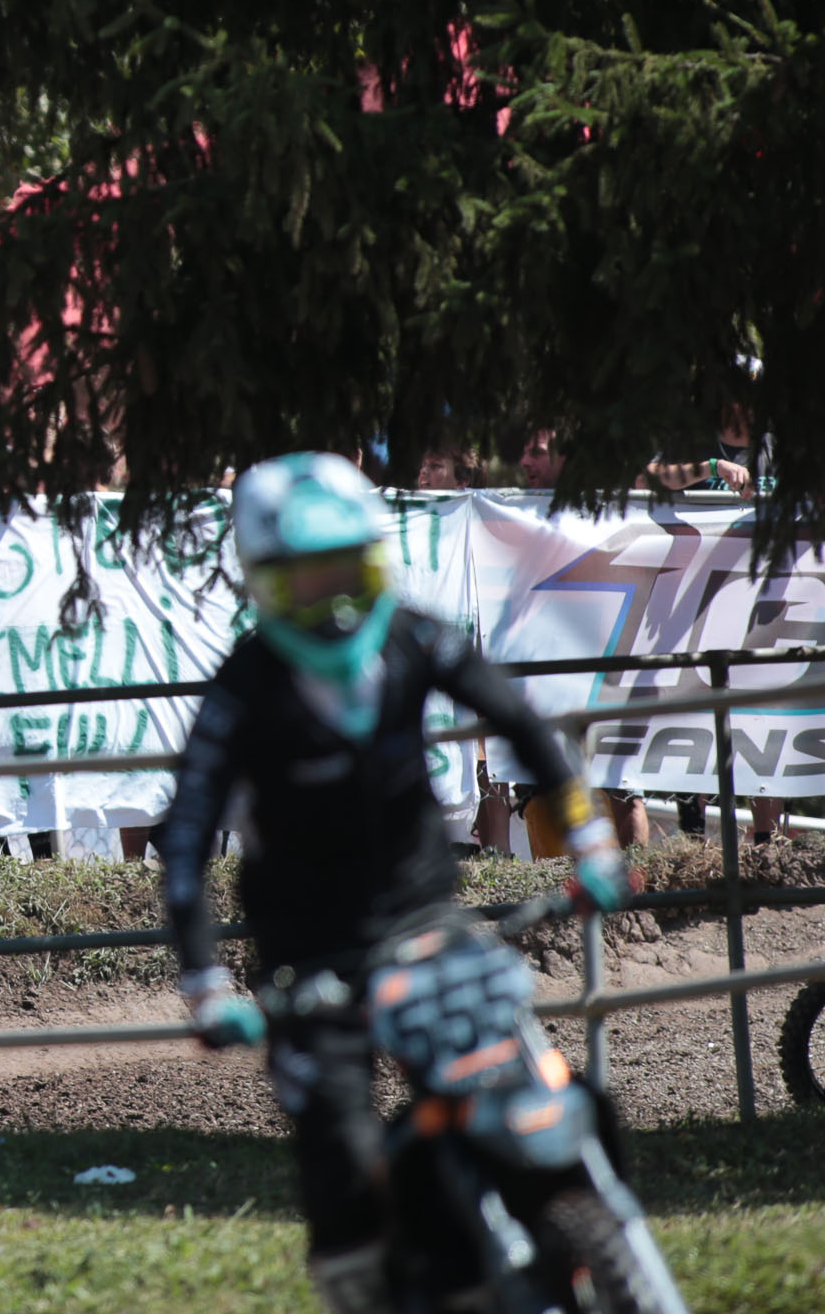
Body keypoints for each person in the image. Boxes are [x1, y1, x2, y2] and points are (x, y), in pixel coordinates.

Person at [160, 453, 632, 1314]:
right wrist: (205, 984)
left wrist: (591, 839)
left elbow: (525, 724)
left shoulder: (417, 637)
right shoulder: (243, 688)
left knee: (535, 1087)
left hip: (425, 920)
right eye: (307, 582)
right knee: (339, 1161)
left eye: (351, 572)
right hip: (308, 956)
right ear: (263, 585)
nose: (336, 604)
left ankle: (576, 1231)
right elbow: (185, 840)